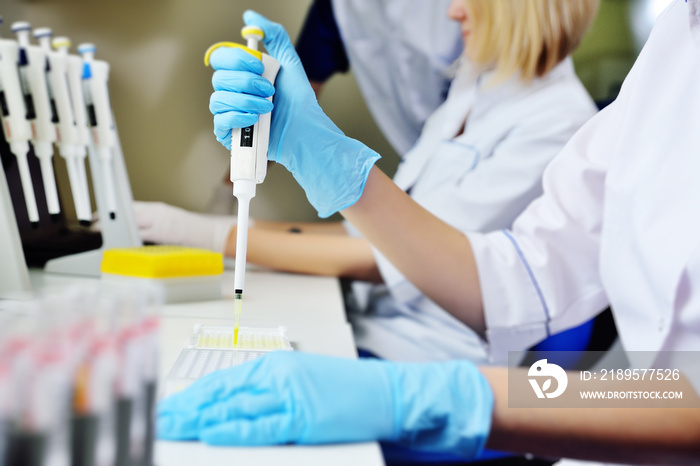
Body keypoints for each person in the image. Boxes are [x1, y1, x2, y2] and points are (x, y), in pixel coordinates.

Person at [157, 1, 700, 464]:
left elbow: (684, 396)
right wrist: (324, 157)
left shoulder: (558, 112)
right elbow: (522, 276)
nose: (452, 9)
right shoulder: (676, 40)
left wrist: (446, 397)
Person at [137, 0, 599, 364]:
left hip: (433, 358)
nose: (453, 10)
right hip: (373, 323)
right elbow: (372, 231)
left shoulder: (558, 122)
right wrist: (203, 228)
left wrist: (205, 234)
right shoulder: (473, 90)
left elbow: (391, 257)